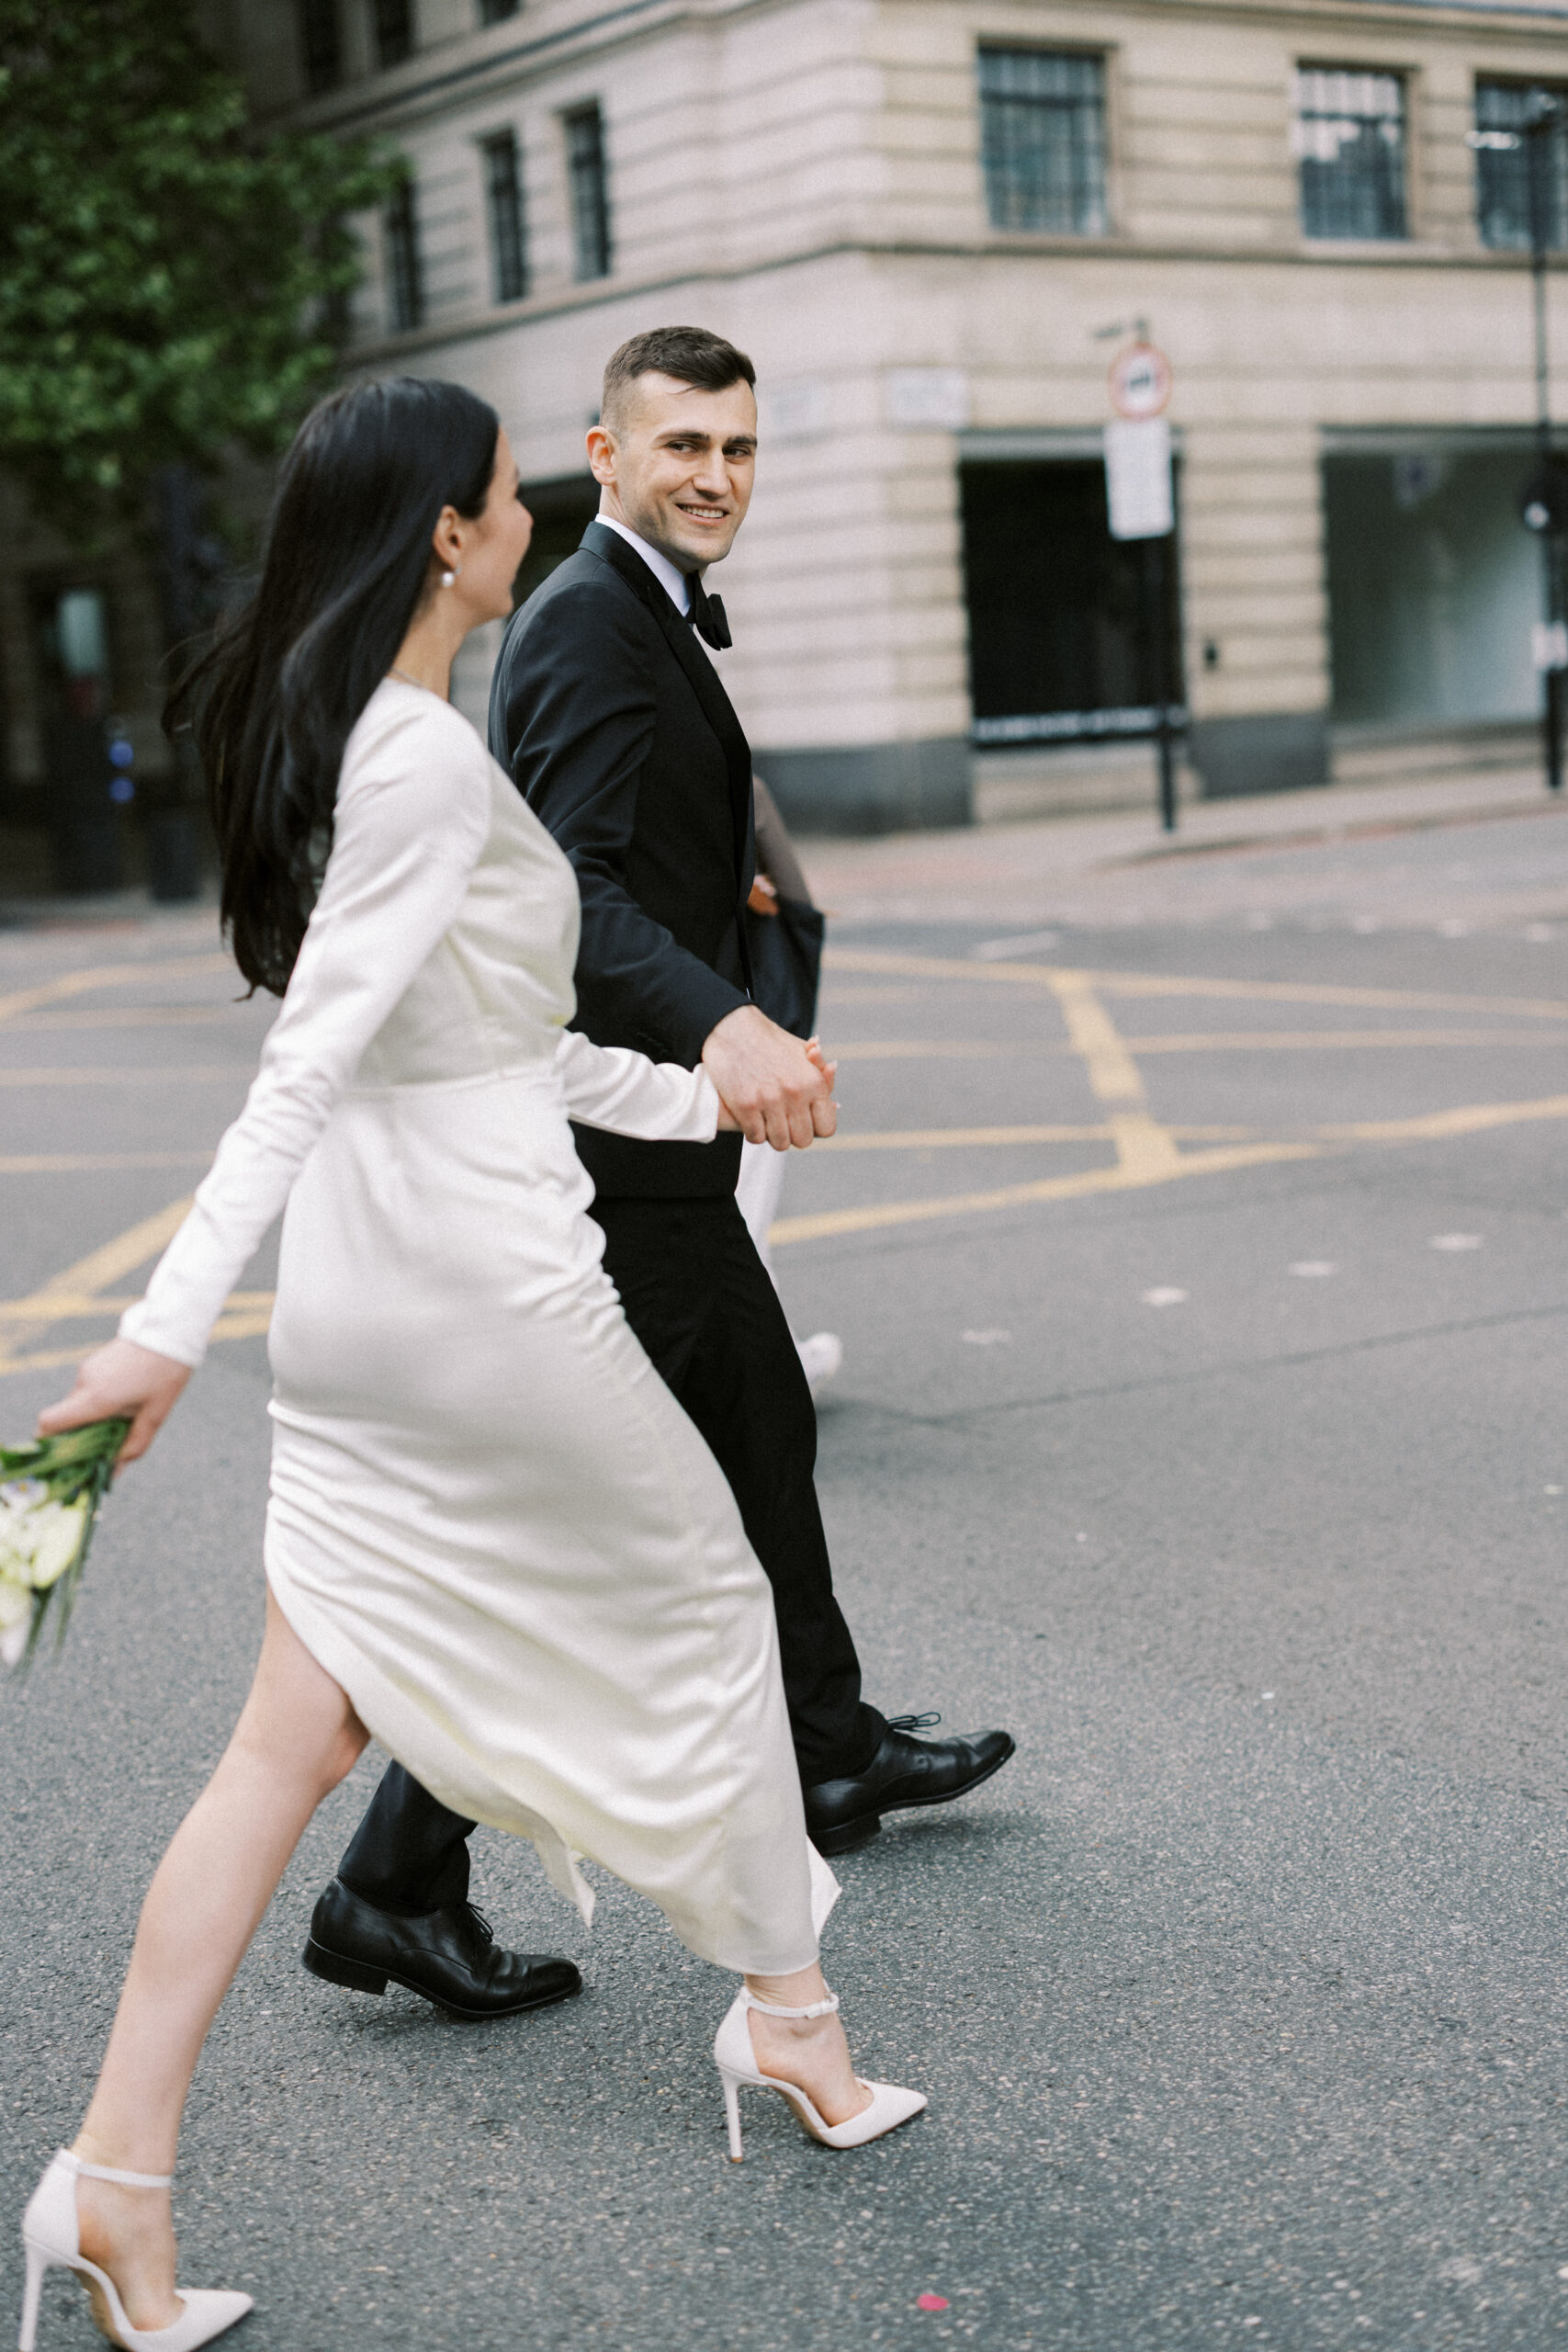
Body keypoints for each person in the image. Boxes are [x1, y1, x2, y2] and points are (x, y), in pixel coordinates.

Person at [17, 377, 923, 2352]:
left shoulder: (358, 738)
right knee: (712, 1605)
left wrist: (704, 1095)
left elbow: (499, 1044)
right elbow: (308, 1064)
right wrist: (159, 1330)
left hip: (364, 1315)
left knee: (292, 1740)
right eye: (506, 494)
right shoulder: (422, 757)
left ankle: (112, 2177)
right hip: (483, 1295)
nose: (527, 516)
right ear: (448, 533)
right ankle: (790, 2027)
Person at [314, 327, 1013, 2021]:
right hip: (610, 1148)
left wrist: (728, 915)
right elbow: (576, 901)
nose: (716, 474)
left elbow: (630, 857)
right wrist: (720, 1019)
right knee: (580, 1541)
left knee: (754, 1429)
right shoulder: (587, 622)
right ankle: (390, 1880)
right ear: (605, 455)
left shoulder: (633, 612)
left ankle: (822, 1744)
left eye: (739, 448)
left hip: (641, 1142)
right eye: (684, 443)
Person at [736, 774, 842, 1393]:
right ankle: (779, 1374)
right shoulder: (734, 785)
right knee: (741, 1224)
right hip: (750, 1028)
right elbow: (798, 901)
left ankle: (783, 1366)